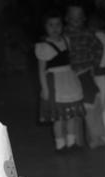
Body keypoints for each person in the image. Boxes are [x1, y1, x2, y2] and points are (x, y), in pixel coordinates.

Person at [36, 11, 86, 151]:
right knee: (58, 117)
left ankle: (71, 142)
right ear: (44, 27)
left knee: (71, 115)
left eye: (58, 24)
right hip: (55, 84)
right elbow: (41, 70)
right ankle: (60, 144)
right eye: (51, 25)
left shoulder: (66, 40)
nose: (55, 28)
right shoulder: (43, 46)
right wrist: (45, 89)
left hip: (69, 80)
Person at [65, 3, 105, 148]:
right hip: (69, 76)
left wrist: (93, 64)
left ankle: (97, 137)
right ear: (67, 18)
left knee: (91, 105)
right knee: (72, 109)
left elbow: (99, 48)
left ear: (83, 19)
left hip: (85, 73)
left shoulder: (88, 34)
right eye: (72, 18)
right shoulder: (64, 36)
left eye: (79, 18)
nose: (75, 21)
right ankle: (75, 140)